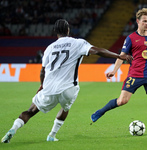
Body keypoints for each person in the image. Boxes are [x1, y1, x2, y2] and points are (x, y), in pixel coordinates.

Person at [1, 19, 132, 143]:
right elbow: (97, 51)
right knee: (65, 107)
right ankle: (52, 135)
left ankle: (13, 129)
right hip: (69, 88)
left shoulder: (49, 49)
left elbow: (42, 71)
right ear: (68, 30)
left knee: (30, 111)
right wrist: (119, 55)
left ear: (55, 32)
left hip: (49, 88)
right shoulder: (78, 43)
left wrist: (42, 85)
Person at [91, 8, 147, 135]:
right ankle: (100, 112)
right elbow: (122, 55)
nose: (146, 24)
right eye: (144, 21)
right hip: (135, 75)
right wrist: (114, 71)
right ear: (138, 21)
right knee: (122, 101)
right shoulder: (131, 38)